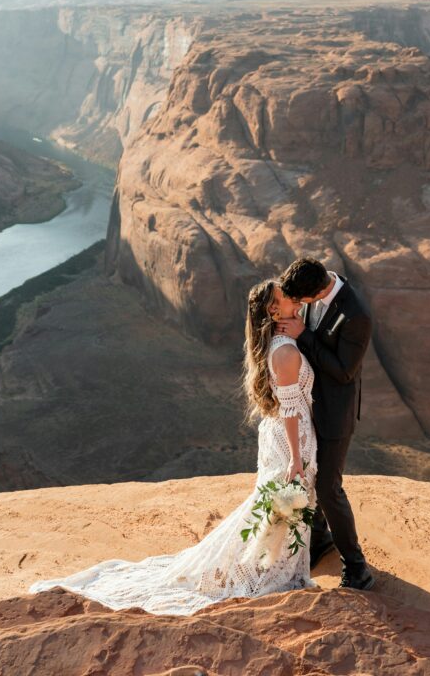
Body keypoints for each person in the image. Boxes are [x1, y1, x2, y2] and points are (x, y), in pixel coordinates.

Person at [28, 279, 318, 616]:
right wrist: (297, 458)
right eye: (287, 297)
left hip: (280, 437)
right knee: (284, 505)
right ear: (273, 309)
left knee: (279, 506)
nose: (295, 300)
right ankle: (268, 573)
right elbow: (291, 409)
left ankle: (272, 567)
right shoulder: (284, 351)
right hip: (290, 442)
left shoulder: (279, 344)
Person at [278, 256, 375, 591]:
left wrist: (303, 335)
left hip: (334, 413)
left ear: (315, 293)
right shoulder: (315, 286)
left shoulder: (356, 314)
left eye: (300, 302)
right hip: (307, 407)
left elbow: (344, 370)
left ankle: (357, 568)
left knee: (328, 489)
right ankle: (319, 541)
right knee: (310, 476)